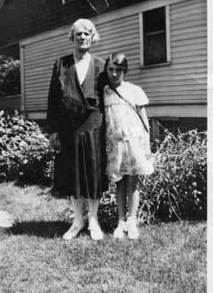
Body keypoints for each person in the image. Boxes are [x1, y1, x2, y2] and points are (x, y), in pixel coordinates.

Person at [47, 18, 108, 240]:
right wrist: (53, 130)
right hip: (69, 126)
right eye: (79, 33)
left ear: (93, 37)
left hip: (93, 124)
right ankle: (77, 220)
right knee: (73, 171)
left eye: (87, 33)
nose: (83, 37)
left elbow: (109, 97)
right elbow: (53, 98)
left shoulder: (101, 65)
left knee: (92, 171)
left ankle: (93, 220)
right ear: (72, 37)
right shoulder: (61, 64)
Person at [99, 52, 154, 239]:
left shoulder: (134, 90)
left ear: (125, 71)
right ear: (106, 70)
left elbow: (144, 119)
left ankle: (132, 221)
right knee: (119, 183)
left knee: (133, 183)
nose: (115, 74)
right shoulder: (104, 92)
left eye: (119, 70)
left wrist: (147, 146)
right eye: (111, 70)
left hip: (134, 142)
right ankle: (120, 222)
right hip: (116, 144)